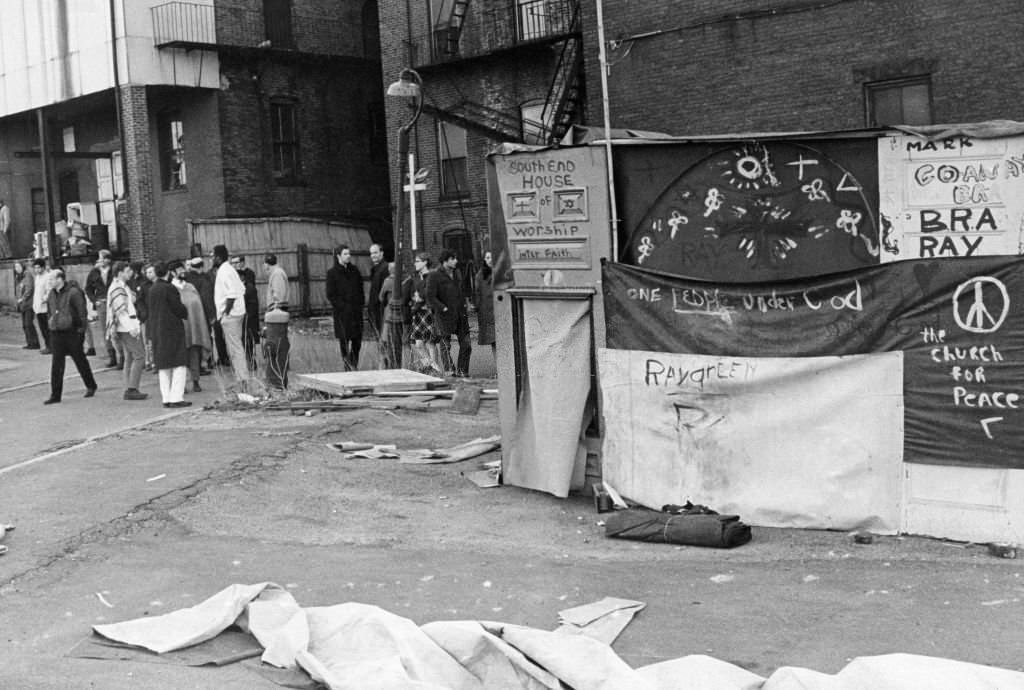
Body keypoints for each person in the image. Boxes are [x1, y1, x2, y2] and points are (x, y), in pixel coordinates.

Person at [43, 269, 97, 404]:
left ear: (59, 279)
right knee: (56, 364)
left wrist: (81, 331)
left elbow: (82, 312)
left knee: (80, 360)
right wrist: (51, 323)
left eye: (51, 279)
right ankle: (55, 394)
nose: (49, 282)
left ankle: (91, 385)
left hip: (72, 331)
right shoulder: (51, 294)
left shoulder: (73, 292)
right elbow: (49, 311)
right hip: (56, 332)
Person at [147, 262, 191, 408]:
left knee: (163, 365)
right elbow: (178, 308)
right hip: (172, 328)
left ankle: (166, 397)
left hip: (157, 329)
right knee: (179, 363)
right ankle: (176, 397)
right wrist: (185, 312)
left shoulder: (152, 289)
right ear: (168, 273)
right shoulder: (169, 288)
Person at [106, 261, 148, 401]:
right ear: (120, 273)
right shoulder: (117, 288)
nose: (130, 273)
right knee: (140, 356)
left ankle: (129, 386)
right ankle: (132, 388)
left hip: (125, 326)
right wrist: (132, 329)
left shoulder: (121, 286)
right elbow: (121, 312)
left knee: (130, 356)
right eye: (127, 270)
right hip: (126, 327)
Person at [426, 249, 472, 377]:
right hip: (444, 316)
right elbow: (430, 297)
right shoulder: (435, 275)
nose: (456, 261)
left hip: (460, 314)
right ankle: (450, 371)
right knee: (445, 345)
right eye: (453, 259)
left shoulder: (457, 273)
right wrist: (443, 308)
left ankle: (462, 371)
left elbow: (461, 290)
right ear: (445, 261)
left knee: (466, 344)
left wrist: (466, 303)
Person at [171, 260, 212, 393]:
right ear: (172, 273)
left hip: (194, 327)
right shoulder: (171, 289)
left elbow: (198, 306)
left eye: (183, 268)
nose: (182, 271)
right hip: (179, 328)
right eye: (179, 270)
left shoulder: (190, 287)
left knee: (194, 353)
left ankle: (195, 380)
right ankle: (181, 385)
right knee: (180, 357)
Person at [212, 244, 248, 382]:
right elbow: (242, 289)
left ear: (219, 258)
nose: (211, 259)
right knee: (236, 347)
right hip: (237, 314)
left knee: (235, 349)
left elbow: (232, 294)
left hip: (231, 316)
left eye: (213, 257)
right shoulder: (229, 269)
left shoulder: (224, 271)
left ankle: (242, 379)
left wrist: (226, 313)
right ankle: (241, 377)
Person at [325, 244, 364, 370]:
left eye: (349, 254)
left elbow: (360, 289)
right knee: (344, 342)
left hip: (356, 313)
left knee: (357, 342)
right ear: (338, 256)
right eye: (345, 254)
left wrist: (360, 305)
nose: (348, 256)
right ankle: (347, 367)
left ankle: (354, 365)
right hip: (342, 315)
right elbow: (330, 294)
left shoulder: (355, 271)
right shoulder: (332, 273)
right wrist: (342, 307)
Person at [85, 248, 121, 368]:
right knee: (106, 330)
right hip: (102, 303)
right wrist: (95, 300)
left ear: (107, 260)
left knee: (118, 328)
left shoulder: (115, 270)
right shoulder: (94, 272)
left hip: (115, 302)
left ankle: (122, 356)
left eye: (101, 258)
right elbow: (88, 288)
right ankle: (112, 357)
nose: (99, 261)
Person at [404, 252, 440, 374]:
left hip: (429, 311)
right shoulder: (416, 277)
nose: (415, 263)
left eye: (418, 261)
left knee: (430, 342)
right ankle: (432, 367)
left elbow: (431, 293)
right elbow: (414, 293)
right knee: (418, 344)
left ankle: (435, 371)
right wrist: (415, 297)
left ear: (425, 262)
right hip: (418, 312)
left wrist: (421, 297)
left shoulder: (431, 276)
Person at [183, 256, 217, 370]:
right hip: (202, 314)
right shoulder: (204, 279)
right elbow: (207, 299)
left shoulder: (185, 279)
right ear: (201, 267)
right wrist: (212, 315)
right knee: (205, 336)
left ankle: (194, 365)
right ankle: (206, 361)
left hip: (187, 315)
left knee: (192, 339)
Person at [233, 256, 261, 373]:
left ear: (242, 278)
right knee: (243, 342)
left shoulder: (249, 288)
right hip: (242, 319)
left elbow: (253, 306)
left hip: (249, 320)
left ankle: (251, 362)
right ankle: (246, 362)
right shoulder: (239, 288)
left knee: (248, 342)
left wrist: (246, 316)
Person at [15, 261, 41, 349]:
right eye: (15, 267)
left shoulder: (27, 275)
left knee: (28, 324)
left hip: (28, 304)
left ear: (22, 266)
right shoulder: (18, 277)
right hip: (22, 304)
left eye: (18, 266)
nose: (17, 269)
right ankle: (30, 342)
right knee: (25, 325)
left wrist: (23, 298)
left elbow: (29, 288)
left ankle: (34, 343)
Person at [475, 250, 496, 358]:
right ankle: (499, 370)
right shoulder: (481, 275)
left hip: (500, 310)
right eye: (487, 258)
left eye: (492, 257)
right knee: (494, 342)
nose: (490, 260)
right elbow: (478, 294)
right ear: (484, 259)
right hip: (488, 312)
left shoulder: (501, 272)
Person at [31, 258, 54, 355]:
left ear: (43, 267)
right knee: (42, 329)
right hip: (38, 307)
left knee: (47, 328)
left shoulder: (47, 277)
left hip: (45, 307)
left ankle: (51, 347)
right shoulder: (37, 277)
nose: (37, 270)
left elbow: (49, 290)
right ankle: (47, 346)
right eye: (35, 268)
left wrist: (44, 299)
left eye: (38, 268)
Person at [366, 243, 388, 337]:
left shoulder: (385, 268)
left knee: (383, 336)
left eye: (375, 252)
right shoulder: (375, 269)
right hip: (375, 309)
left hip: (381, 310)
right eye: (371, 253)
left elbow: (385, 291)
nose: (373, 255)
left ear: (382, 253)